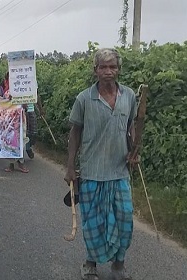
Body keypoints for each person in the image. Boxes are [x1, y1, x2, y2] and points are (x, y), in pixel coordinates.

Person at [64, 48, 137, 280]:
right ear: (95, 70)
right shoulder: (84, 98)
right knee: (94, 224)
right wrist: (69, 167)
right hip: (93, 172)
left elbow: (131, 128)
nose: (108, 71)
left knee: (124, 220)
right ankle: (90, 264)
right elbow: (75, 134)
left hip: (119, 172)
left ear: (119, 69)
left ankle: (119, 266)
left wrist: (134, 150)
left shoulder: (129, 96)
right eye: (103, 67)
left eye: (112, 67)